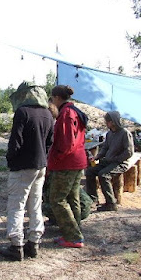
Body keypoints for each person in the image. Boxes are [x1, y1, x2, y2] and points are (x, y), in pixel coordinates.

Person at [0, 81, 54, 261]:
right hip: (40, 166)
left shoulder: (22, 112)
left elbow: (15, 141)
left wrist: (11, 160)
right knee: (35, 204)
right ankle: (34, 243)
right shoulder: (47, 113)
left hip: (23, 166)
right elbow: (49, 142)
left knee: (16, 205)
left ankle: (17, 246)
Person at [47, 85, 88, 248]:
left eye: (52, 98)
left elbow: (65, 144)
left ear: (57, 98)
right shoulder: (75, 111)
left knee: (57, 199)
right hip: (78, 161)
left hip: (67, 163)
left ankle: (73, 236)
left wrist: (53, 161)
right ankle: (75, 232)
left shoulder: (66, 114)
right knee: (72, 197)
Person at [86, 111, 134, 211]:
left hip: (120, 163)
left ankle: (111, 203)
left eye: (107, 121)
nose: (106, 123)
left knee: (103, 175)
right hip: (108, 161)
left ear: (112, 122)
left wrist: (116, 159)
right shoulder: (109, 134)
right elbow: (105, 148)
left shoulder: (125, 133)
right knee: (90, 172)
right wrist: (97, 157)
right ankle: (93, 199)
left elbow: (129, 152)